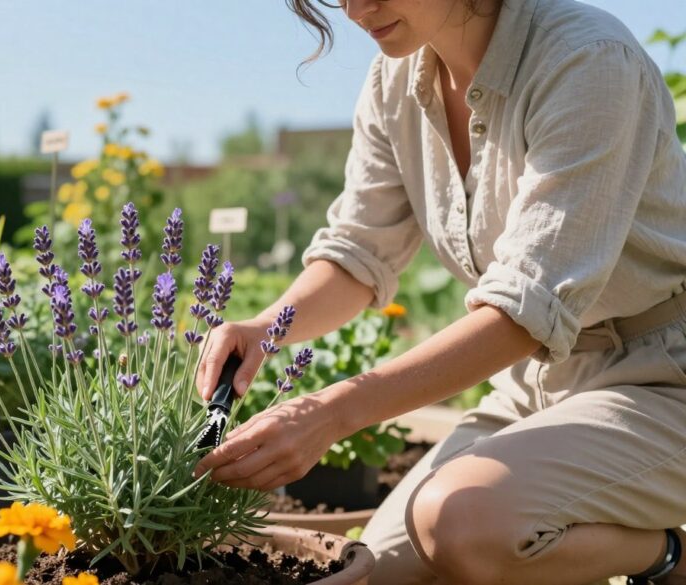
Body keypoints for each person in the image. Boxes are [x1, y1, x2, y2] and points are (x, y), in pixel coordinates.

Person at [192, 0, 686, 583]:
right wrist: (263, 330)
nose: (355, 10)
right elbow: (358, 253)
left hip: (662, 380)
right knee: (370, 573)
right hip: (533, 387)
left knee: (464, 526)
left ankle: (671, 557)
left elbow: (524, 312)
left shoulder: (588, 60)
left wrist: (330, 414)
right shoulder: (395, 79)